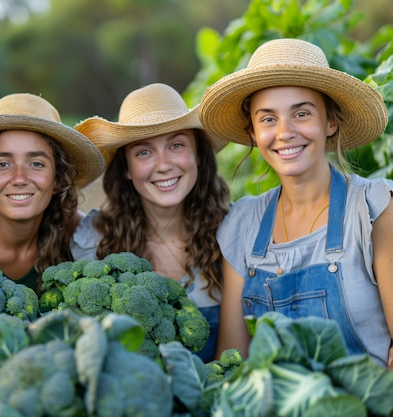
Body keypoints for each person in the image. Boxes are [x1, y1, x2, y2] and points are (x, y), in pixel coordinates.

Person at [199, 38, 393, 368]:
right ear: (253, 132)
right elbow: (233, 362)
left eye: (301, 113)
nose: (285, 132)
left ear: (330, 121)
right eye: (268, 119)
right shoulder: (243, 224)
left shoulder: (374, 209)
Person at [71, 83, 230, 362]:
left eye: (176, 145)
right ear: (128, 170)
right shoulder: (92, 241)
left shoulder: (233, 233)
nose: (163, 164)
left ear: (197, 155)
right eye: (144, 152)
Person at [0, 93, 104, 294]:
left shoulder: (80, 236)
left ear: (58, 179)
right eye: (3, 164)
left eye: (36, 164)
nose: (19, 178)